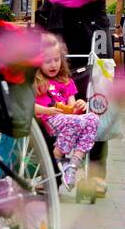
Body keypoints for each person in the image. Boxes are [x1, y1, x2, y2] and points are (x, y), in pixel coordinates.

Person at [15, 0, 117, 197]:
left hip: (88, 21)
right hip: (54, 20)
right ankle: (44, 165)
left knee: (96, 90)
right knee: (45, 87)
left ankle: (95, 172)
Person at [30, 37, 100, 193]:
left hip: (67, 120)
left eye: (56, 60)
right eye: (48, 61)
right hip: (47, 121)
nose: (53, 64)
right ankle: (54, 161)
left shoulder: (67, 82)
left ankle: (73, 164)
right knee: (75, 122)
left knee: (93, 118)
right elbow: (28, 106)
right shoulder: (35, 81)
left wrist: (80, 106)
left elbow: (71, 108)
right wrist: (48, 110)